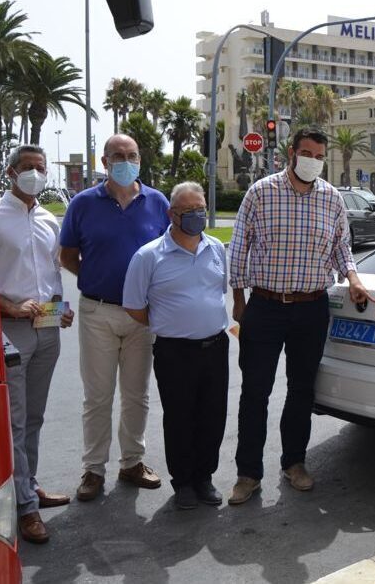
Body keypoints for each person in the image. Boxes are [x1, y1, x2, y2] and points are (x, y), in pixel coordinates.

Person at [227, 127, 371, 505]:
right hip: (265, 305)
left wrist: (353, 279)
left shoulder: (332, 198)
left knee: (301, 390)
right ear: (292, 152)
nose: (313, 161)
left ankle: (294, 463)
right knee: (255, 391)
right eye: (307, 152)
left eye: (319, 155)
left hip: (311, 307)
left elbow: (343, 248)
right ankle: (248, 473)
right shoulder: (261, 193)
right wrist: (239, 301)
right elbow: (239, 246)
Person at [60, 134, 170, 501]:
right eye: (118, 156)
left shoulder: (157, 202)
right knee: (98, 397)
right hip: (98, 311)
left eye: (132, 155)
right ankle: (93, 470)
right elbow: (68, 255)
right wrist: (96, 279)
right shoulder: (82, 203)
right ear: (105, 163)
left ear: (140, 159)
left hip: (143, 316)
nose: (126, 161)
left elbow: (167, 256)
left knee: (137, 395)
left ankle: (132, 463)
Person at [123, 182, 229, 510]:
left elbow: (219, 291)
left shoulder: (216, 249)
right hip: (174, 351)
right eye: (188, 211)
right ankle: (182, 482)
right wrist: (171, 324)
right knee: (180, 417)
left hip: (215, 347)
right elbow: (135, 306)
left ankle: (204, 477)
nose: (196, 216)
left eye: (200, 209)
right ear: (172, 214)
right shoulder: (149, 256)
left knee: (213, 415)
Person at [0, 145, 75, 543]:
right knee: (16, 421)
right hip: (10, 330)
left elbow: (52, 275)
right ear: (10, 172)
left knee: (35, 417)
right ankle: (25, 508)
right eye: (27, 168)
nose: (35, 174)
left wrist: (61, 309)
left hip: (47, 328)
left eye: (40, 168)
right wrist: (7, 305)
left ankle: (29, 486)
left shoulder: (46, 218)